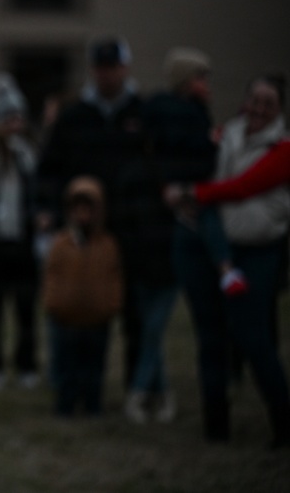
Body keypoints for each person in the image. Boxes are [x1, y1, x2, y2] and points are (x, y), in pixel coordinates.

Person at [168, 74, 290, 447]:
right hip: (213, 247)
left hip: (258, 250)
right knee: (210, 338)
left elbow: (241, 187)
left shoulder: (283, 149)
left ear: (279, 110)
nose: (259, 109)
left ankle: (283, 423)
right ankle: (216, 425)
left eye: (268, 103)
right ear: (245, 101)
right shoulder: (225, 136)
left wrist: (193, 192)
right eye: (255, 100)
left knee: (254, 338)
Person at [36, 36, 147, 391]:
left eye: (112, 67)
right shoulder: (74, 116)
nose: (106, 75)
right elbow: (49, 169)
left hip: (128, 227)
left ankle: (135, 383)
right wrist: (50, 211)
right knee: (73, 304)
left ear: (124, 69)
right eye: (100, 67)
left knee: (131, 310)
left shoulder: (142, 114)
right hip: (80, 225)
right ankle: (68, 383)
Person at [119, 47, 216, 424]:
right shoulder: (190, 128)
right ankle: (145, 392)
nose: (206, 85)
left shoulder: (146, 132)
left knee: (151, 324)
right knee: (154, 324)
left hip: (144, 238)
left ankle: (152, 392)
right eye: (200, 77)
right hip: (170, 236)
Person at [0, 72, 41, 392]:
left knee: (26, 309)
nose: (15, 125)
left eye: (18, 118)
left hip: (24, 242)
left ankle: (27, 364)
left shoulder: (30, 155)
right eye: (8, 119)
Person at [42, 176, 123, 417]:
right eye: (77, 209)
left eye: (88, 209)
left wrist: (110, 305)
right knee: (67, 365)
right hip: (66, 318)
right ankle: (65, 405)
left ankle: (92, 404)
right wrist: (54, 304)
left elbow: (114, 277)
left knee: (94, 366)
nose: (83, 215)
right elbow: (52, 276)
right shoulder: (61, 244)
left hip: (97, 319)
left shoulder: (107, 245)